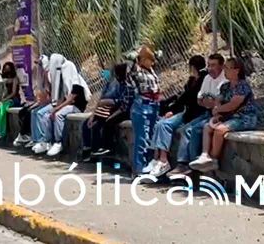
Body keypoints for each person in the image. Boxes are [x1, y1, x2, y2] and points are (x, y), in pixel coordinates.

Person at [190, 58, 257, 172]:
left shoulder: (242, 86)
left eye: (227, 67)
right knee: (207, 127)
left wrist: (218, 109)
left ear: (236, 70)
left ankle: (213, 160)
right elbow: (218, 99)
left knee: (220, 130)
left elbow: (233, 104)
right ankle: (204, 155)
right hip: (229, 116)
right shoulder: (225, 86)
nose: (224, 70)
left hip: (244, 118)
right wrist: (217, 113)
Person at [167, 54, 227, 177]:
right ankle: (184, 164)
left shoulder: (225, 80)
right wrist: (208, 101)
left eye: (214, 65)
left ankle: (193, 168)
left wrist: (210, 101)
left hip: (221, 115)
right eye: (209, 65)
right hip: (207, 112)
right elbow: (200, 99)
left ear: (222, 66)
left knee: (193, 129)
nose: (210, 68)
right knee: (185, 129)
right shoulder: (207, 78)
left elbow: (217, 102)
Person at [148, 55, 208, 177]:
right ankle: (159, 159)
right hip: (186, 113)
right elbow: (182, 97)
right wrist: (172, 111)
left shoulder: (203, 79)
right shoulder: (192, 80)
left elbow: (188, 97)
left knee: (186, 130)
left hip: (197, 114)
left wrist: (174, 109)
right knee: (162, 124)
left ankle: (173, 163)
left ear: (192, 67)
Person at [31, 54, 91, 156]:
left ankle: (58, 142)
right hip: (68, 106)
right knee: (46, 115)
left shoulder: (76, 83)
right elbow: (61, 98)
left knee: (58, 115)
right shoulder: (63, 82)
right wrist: (54, 108)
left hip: (77, 107)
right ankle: (47, 141)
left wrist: (56, 109)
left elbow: (70, 100)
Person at [81, 63, 130, 160]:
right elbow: (100, 101)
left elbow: (122, 102)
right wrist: (92, 115)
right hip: (101, 110)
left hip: (111, 110)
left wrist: (109, 102)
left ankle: (98, 152)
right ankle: (87, 149)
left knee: (96, 127)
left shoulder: (124, 85)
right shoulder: (109, 84)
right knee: (86, 124)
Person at [127, 46, 161, 177]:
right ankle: (138, 169)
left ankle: (147, 167)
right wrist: (139, 55)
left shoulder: (151, 70)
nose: (152, 62)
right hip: (142, 104)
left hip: (154, 105)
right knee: (142, 138)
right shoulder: (136, 69)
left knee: (151, 137)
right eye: (149, 59)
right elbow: (129, 65)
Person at [13, 55, 51, 147]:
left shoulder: (48, 75)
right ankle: (28, 136)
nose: (39, 67)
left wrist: (38, 103)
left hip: (50, 102)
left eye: (40, 64)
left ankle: (39, 139)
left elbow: (50, 97)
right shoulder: (40, 77)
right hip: (42, 101)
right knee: (24, 110)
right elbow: (40, 95)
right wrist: (36, 103)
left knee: (33, 112)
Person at [0, 62, 21, 140]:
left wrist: (4, 99)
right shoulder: (2, 78)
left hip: (13, 99)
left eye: (8, 69)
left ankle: (1, 132)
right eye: (5, 69)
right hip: (4, 99)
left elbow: (13, 93)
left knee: (3, 110)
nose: (6, 71)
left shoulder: (15, 78)